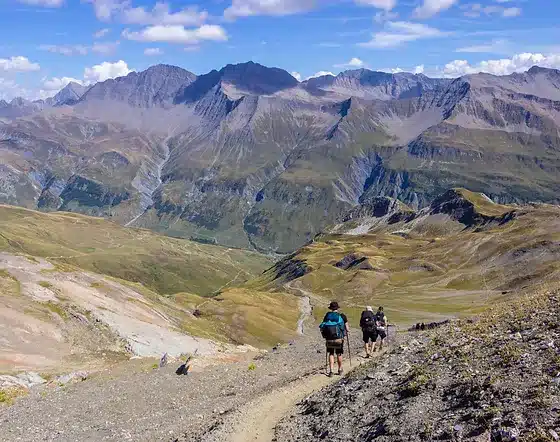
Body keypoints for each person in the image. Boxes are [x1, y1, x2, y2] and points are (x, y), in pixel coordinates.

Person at [319, 301, 349, 377]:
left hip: (329, 339)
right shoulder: (342, 316)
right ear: (337, 308)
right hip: (339, 339)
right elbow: (347, 329)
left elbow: (322, 326)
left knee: (331, 354)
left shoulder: (327, 316)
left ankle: (331, 371)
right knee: (339, 354)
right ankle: (339, 369)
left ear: (331, 308)